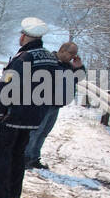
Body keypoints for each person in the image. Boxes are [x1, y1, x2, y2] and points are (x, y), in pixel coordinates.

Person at [0, 17, 64, 198]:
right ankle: (14, 192)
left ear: (24, 37)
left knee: (1, 151)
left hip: (12, 114)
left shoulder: (22, 58)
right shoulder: (50, 58)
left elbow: (7, 87)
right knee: (18, 153)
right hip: (34, 116)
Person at [25, 41, 84, 169]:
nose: (73, 57)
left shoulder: (68, 66)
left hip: (56, 105)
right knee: (35, 132)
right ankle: (25, 159)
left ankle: (34, 158)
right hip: (43, 103)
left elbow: (78, 79)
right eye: (71, 53)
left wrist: (79, 67)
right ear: (62, 50)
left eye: (75, 54)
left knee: (44, 132)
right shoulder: (50, 61)